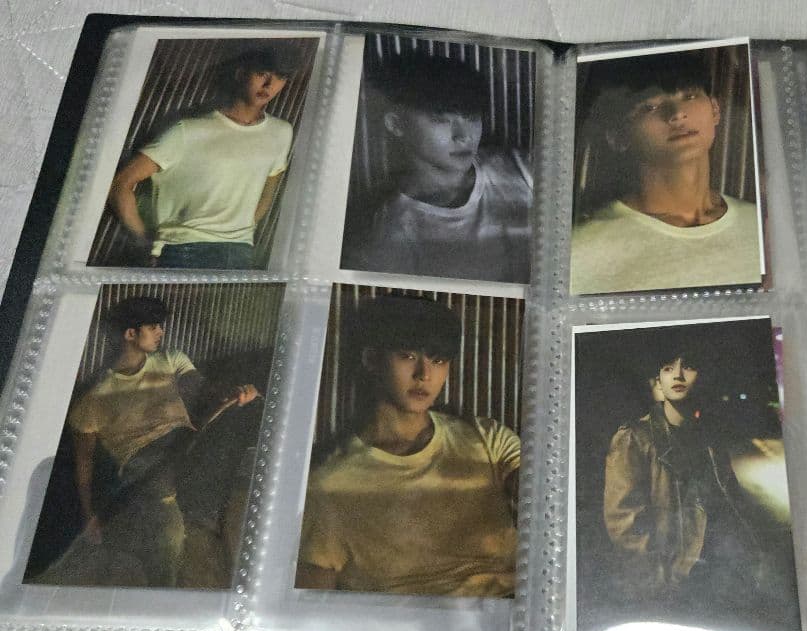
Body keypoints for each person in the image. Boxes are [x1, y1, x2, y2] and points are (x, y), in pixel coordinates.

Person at [296, 295, 520, 596]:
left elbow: (549, 499)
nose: (424, 375)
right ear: (372, 360)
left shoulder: (486, 437)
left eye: (438, 361)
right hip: (413, 620)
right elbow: (309, 603)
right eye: (408, 356)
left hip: (512, 605)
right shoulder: (327, 482)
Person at [39, 297, 260, 587]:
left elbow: (204, 389)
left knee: (231, 424)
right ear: (130, 334)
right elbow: (84, 462)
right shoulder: (94, 399)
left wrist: (235, 392)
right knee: (163, 518)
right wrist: (89, 513)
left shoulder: (170, 361)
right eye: (153, 327)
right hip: (143, 465)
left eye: (160, 326)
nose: (160, 332)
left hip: (186, 443)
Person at [602, 339, 797, 631]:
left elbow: (731, 504)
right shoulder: (635, 438)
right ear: (659, 380)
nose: (678, 375)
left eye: (688, 367)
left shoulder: (708, 440)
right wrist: (661, 582)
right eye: (668, 368)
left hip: (715, 577)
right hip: (670, 586)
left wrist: (756, 556)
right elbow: (624, 523)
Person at [570, 50, 761, 295]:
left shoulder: (761, 229)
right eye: (650, 106)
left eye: (689, 96)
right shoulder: (582, 249)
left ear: (715, 109)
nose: (677, 114)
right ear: (618, 136)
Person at [340, 52, 532, 284]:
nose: (463, 137)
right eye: (441, 120)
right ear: (396, 124)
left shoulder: (521, 168)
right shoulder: (389, 235)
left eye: (471, 117)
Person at [107, 46, 297, 269]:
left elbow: (269, 188)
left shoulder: (281, 132)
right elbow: (121, 184)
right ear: (241, 73)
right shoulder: (187, 131)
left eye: (279, 77)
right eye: (262, 74)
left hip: (240, 250)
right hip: (183, 249)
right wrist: (144, 239)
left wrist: (243, 227)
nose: (269, 85)